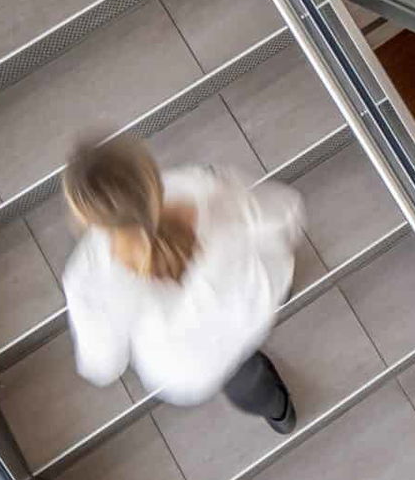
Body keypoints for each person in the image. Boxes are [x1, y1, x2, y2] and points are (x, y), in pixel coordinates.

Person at [60, 137, 303, 433]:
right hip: (250, 295)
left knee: (242, 379)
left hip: (192, 355)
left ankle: (279, 411)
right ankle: (281, 303)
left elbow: (104, 365)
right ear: (149, 177)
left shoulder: (89, 282)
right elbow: (285, 213)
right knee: (262, 308)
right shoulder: (204, 187)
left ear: (85, 218)